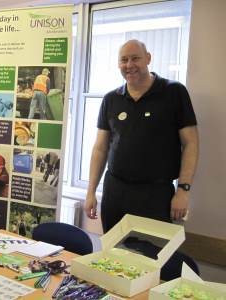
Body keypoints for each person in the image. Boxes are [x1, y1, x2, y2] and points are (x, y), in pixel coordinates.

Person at [84, 39, 199, 233]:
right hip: (115, 192)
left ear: (148, 58)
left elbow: (191, 144)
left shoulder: (174, 92)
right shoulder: (111, 99)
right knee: (112, 257)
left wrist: (183, 190)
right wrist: (90, 191)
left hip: (156, 195)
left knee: (151, 258)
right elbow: (100, 148)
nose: (129, 65)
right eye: (124, 60)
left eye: (135, 58)